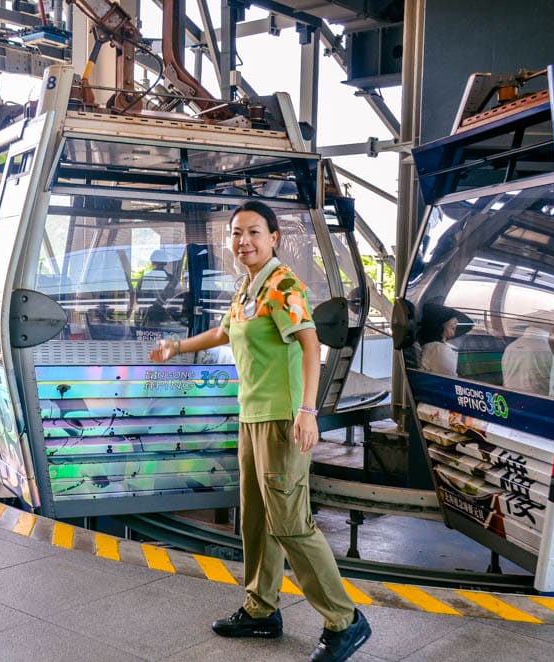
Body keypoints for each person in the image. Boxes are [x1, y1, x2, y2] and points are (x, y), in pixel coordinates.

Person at [149, 200, 371, 662]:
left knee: (290, 523)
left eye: (253, 232)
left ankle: (345, 619)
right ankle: (261, 609)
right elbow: (224, 332)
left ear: (274, 237)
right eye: (236, 233)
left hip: (283, 421)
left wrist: (308, 411)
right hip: (252, 418)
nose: (243, 241)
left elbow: (312, 348)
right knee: (254, 519)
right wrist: (178, 347)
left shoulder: (283, 284)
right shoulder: (249, 287)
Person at [418, 302, 464, 376]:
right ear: (440, 321)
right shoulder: (438, 349)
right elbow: (450, 382)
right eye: (452, 317)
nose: (457, 321)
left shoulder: (434, 347)